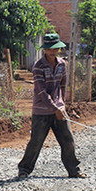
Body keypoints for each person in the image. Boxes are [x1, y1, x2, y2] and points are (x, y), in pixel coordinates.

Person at [17, 33, 85, 180]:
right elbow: (41, 91)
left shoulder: (62, 64)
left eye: (54, 48)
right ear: (45, 50)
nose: (52, 51)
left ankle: (74, 170)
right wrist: (54, 108)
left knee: (67, 140)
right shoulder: (38, 66)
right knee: (36, 141)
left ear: (58, 49)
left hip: (59, 109)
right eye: (49, 49)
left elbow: (63, 84)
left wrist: (62, 104)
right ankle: (24, 169)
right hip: (41, 111)